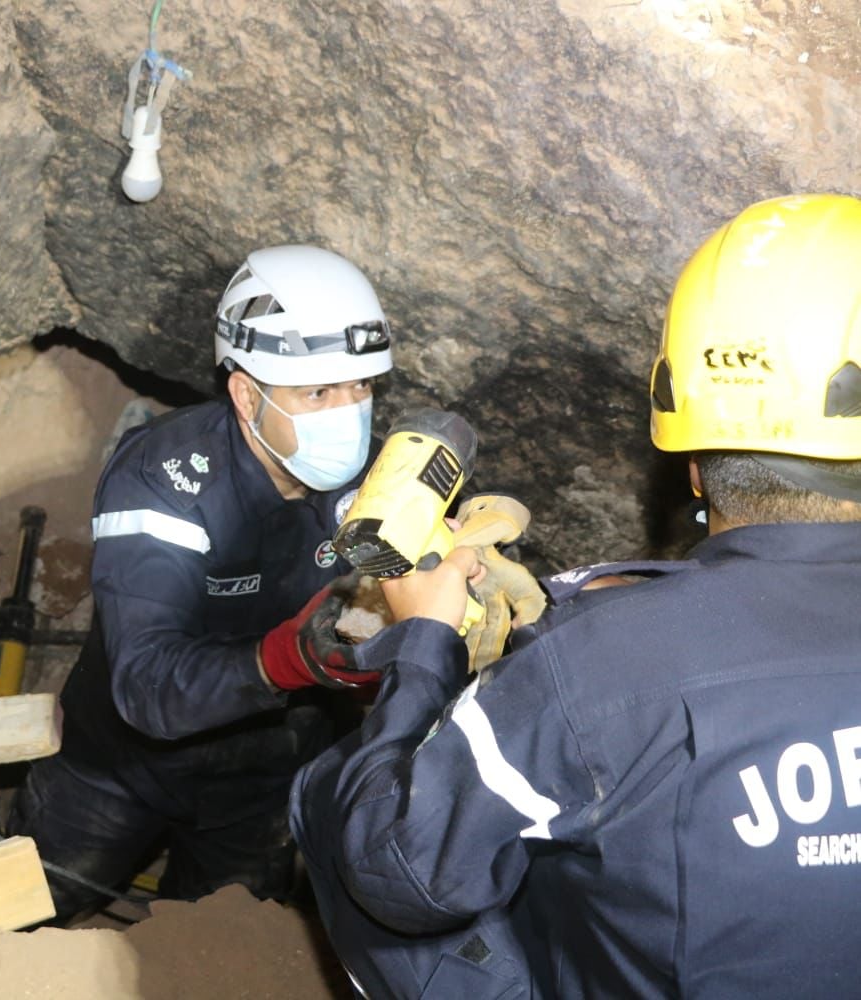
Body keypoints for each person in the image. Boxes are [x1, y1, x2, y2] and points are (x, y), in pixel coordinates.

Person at [290, 192, 861, 999]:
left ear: (689, 461)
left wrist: (425, 646)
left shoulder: (605, 661)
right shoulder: (611, 646)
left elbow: (405, 875)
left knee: (344, 799)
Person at [7, 244, 399, 919]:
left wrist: (435, 591)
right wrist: (294, 656)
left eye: (361, 386)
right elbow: (147, 685)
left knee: (221, 955)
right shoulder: (165, 483)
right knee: (23, 915)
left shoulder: (370, 483)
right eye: (318, 391)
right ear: (247, 392)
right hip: (120, 768)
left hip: (263, 778)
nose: (349, 412)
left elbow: (382, 599)